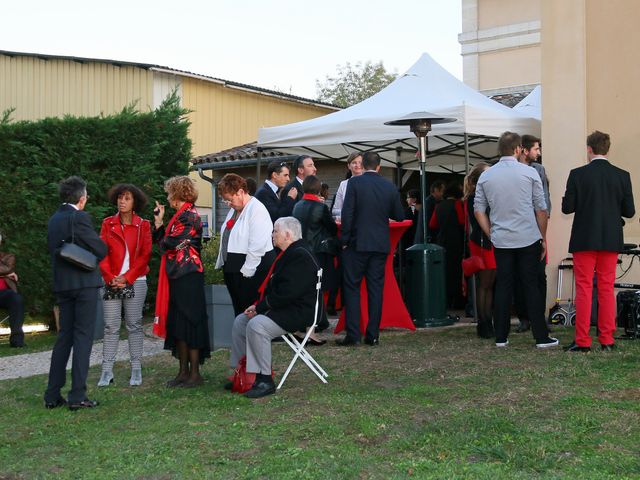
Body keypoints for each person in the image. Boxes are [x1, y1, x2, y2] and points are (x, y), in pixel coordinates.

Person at [474, 131, 558, 349]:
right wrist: (543, 237)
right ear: (518, 149)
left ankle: (501, 336)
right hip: (528, 236)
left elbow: (478, 210)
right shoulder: (529, 173)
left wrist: (490, 232)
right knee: (531, 285)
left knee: (503, 285)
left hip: (501, 238)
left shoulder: (486, 175)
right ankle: (540, 336)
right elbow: (541, 209)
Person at [228, 217, 320, 398]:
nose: (272, 235)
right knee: (241, 321)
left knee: (257, 325)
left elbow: (289, 292)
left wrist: (260, 307)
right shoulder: (290, 253)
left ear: (287, 234)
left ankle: (264, 380)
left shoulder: (300, 255)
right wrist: (258, 306)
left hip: (297, 312)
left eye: (275, 231)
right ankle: (243, 374)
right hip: (285, 307)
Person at [562, 130, 635, 352]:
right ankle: (607, 339)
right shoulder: (622, 175)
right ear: (607, 149)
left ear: (589, 149)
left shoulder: (577, 174)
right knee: (606, 289)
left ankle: (583, 341)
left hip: (584, 238)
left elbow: (567, 208)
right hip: (611, 239)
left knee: (584, 289)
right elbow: (629, 212)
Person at [44, 176, 107, 410]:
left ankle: (52, 394)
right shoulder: (79, 217)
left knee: (64, 338)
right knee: (82, 338)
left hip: (63, 284)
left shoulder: (54, 219)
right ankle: (77, 395)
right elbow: (99, 247)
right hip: (84, 284)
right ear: (82, 199)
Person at [338, 151, 405, 346]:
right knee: (376, 289)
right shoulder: (389, 186)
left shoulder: (354, 184)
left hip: (357, 243)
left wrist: (344, 239)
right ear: (378, 167)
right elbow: (399, 216)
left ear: (364, 165)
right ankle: (373, 334)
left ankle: (353, 335)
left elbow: (347, 213)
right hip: (380, 244)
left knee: (352, 288)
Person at [153, 176, 210, 388]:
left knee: (191, 322)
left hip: (189, 275)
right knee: (179, 323)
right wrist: (159, 223)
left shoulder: (189, 217)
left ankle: (194, 374)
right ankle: (183, 372)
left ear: (177, 195)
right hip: (179, 274)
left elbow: (172, 244)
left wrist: (162, 231)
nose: (167, 198)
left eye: (169, 194)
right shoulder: (181, 215)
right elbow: (164, 244)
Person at [97, 184, 152, 387]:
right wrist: (110, 276)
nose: (122, 201)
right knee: (111, 325)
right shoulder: (107, 224)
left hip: (135, 281)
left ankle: (136, 368)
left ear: (134, 201)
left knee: (134, 325)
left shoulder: (143, 225)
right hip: (111, 281)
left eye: (127, 198)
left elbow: (145, 255)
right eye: (120, 197)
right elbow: (102, 253)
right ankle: (106, 371)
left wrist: (127, 277)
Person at [216, 174, 276, 316]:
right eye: (226, 201)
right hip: (233, 267)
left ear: (241, 192)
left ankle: (250, 337)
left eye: (230, 199)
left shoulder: (257, 209)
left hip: (251, 270)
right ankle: (241, 336)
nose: (228, 204)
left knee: (248, 309)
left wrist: (248, 271)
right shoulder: (235, 209)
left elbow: (257, 245)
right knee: (238, 309)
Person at [292, 175, 338, 336]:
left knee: (307, 287)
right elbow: (332, 228)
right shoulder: (321, 207)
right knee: (318, 288)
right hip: (318, 251)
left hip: (301, 251)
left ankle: (316, 320)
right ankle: (316, 321)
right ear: (318, 189)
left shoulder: (297, 206)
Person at [514, 134, 550, 333]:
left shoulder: (539, 170)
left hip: (537, 230)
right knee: (519, 276)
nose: (539, 153)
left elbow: (545, 200)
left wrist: (544, 230)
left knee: (539, 276)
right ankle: (524, 318)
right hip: (518, 229)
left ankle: (539, 317)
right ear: (524, 150)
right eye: (536, 149)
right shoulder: (511, 171)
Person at [464, 163, 496, 338]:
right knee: (485, 285)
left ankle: (486, 322)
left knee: (487, 285)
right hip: (484, 241)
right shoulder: (476, 196)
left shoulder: (476, 195)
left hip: (483, 241)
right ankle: (484, 324)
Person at [429, 181, 465, 309]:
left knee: (444, 272)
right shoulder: (457, 204)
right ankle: (457, 300)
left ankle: (446, 300)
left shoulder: (438, 206)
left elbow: (433, 224)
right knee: (455, 272)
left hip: (441, 241)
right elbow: (462, 222)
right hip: (455, 242)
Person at [0, 230, 25, 348]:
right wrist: (4, 275)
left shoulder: (7, 257)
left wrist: (5, 273)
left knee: (16, 299)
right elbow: (5, 272)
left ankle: (17, 340)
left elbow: (7, 269)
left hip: (4, 294)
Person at [331, 153, 363, 217]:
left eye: (360, 162)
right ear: (348, 166)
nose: (357, 165)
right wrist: (349, 212)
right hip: (349, 223)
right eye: (354, 162)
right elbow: (335, 210)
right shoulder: (343, 184)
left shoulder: (370, 182)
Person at [414, 179, 444, 244]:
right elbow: (429, 223)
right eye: (442, 191)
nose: (443, 194)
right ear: (436, 190)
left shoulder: (429, 201)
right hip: (426, 240)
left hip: (423, 239)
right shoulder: (430, 203)